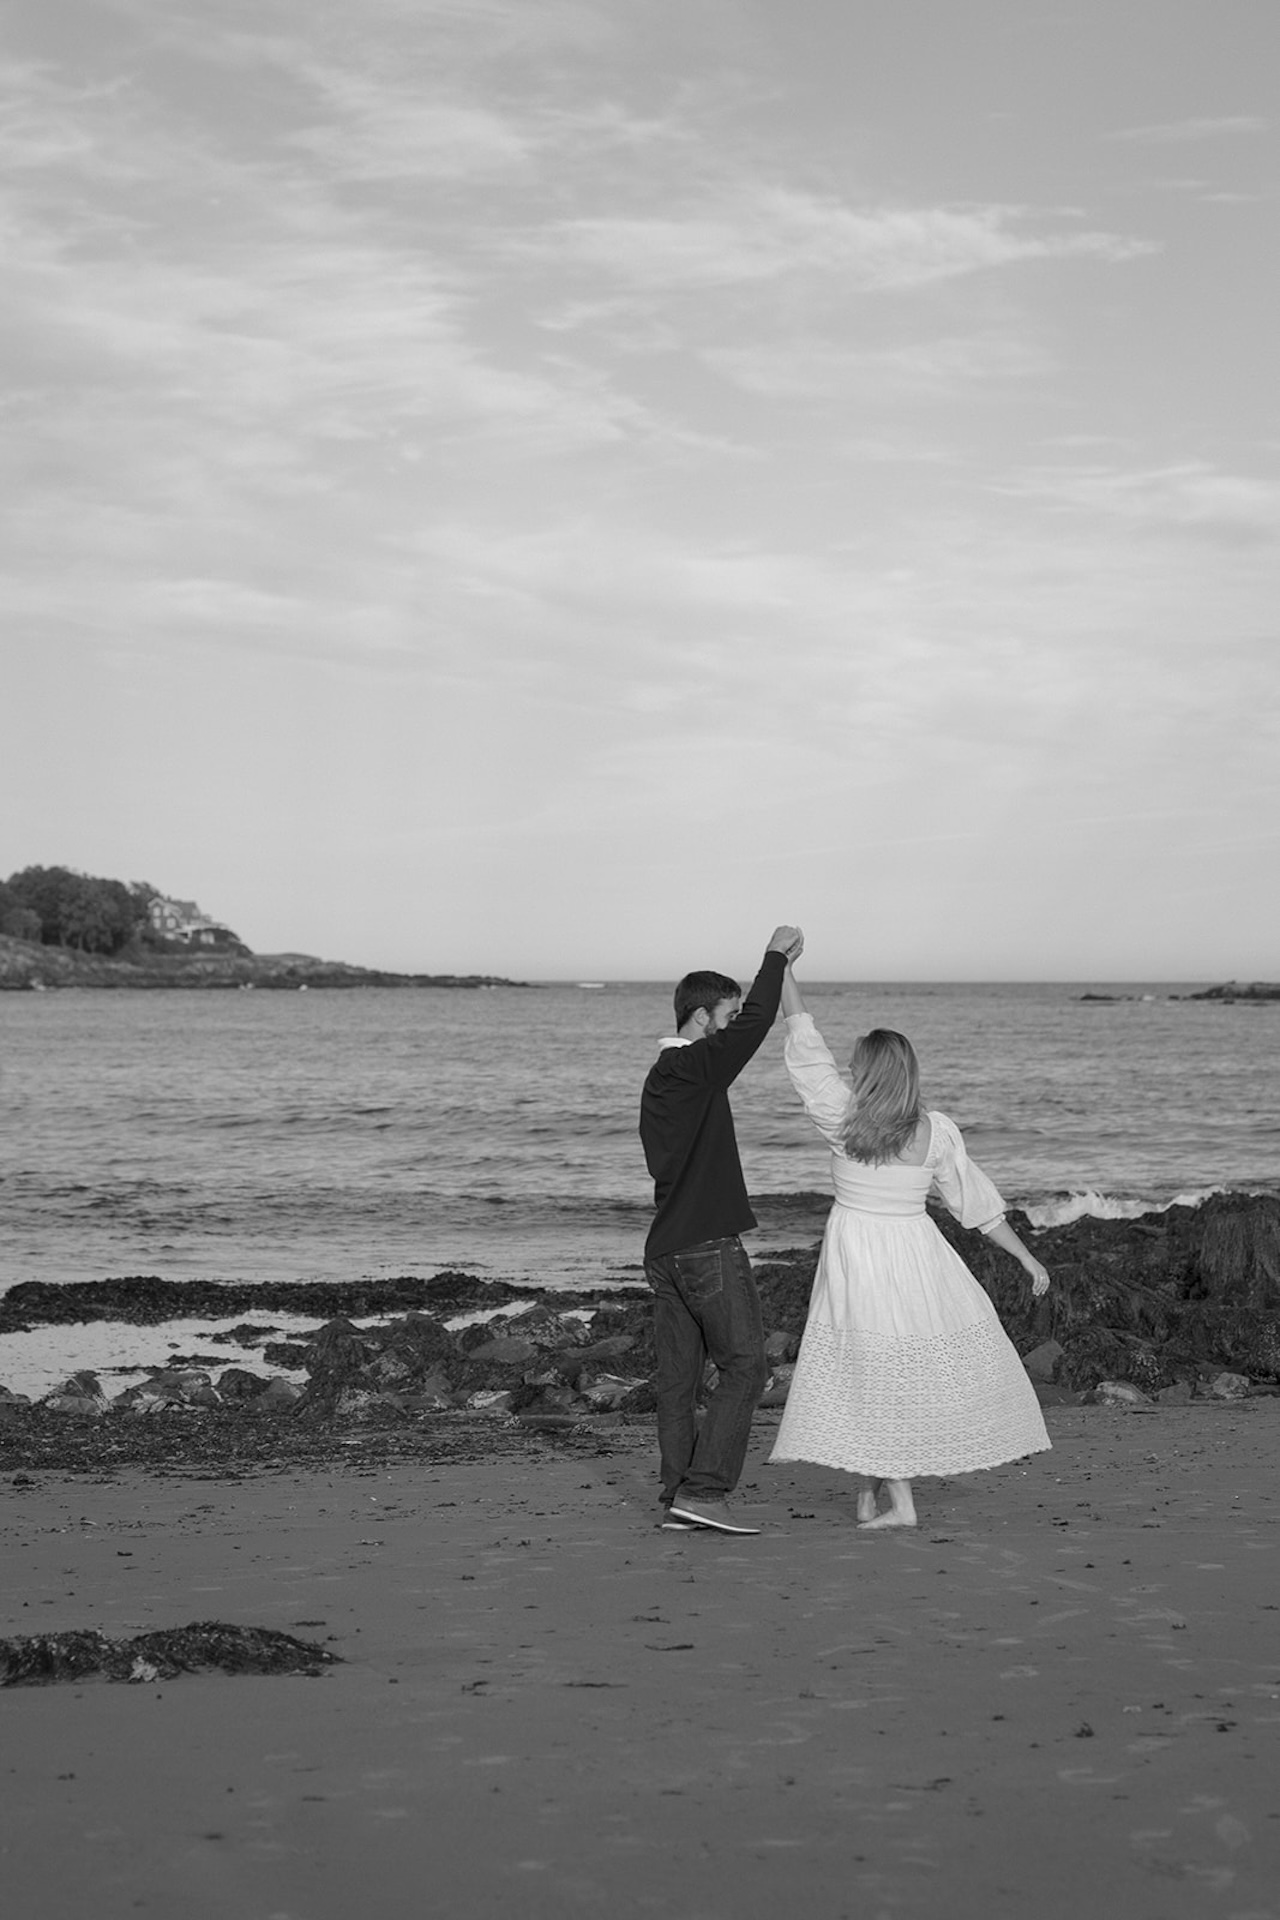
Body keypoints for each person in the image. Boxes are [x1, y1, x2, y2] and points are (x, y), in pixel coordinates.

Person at [769, 964, 1051, 1529]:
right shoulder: (936, 1131)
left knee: (870, 1370)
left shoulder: (842, 1115)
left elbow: (804, 1040)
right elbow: (975, 1205)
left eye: (856, 1064)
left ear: (869, 1074)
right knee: (888, 1369)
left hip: (860, 1255)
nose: (847, 1067)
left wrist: (781, 967)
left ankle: (901, 1504)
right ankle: (872, 1489)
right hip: (916, 1255)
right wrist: (1024, 1256)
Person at [640, 926, 804, 1536]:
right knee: (746, 1368)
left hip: (666, 1249)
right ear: (702, 1016)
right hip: (705, 1245)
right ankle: (705, 1492)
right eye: (726, 1015)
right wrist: (775, 957)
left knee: (679, 1383)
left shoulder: (664, 1078)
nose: (732, 1024)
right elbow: (756, 1024)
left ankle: (679, 1497)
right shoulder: (692, 1066)